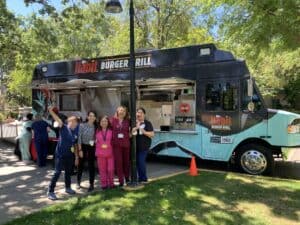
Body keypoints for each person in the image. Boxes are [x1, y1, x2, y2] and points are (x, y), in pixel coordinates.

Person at [47, 107, 78, 200]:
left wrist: (76, 156)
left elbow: (75, 145)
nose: (73, 123)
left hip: (69, 156)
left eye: (75, 122)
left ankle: (68, 188)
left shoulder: (75, 133)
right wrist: (51, 111)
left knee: (68, 172)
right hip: (60, 155)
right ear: (68, 122)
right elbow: (58, 120)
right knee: (57, 172)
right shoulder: (63, 127)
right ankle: (50, 191)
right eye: (71, 121)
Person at [132, 107, 154, 183]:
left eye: (141, 112)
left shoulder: (148, 123)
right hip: (135, 147)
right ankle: (140, 178)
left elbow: (152, 134)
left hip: (144, 147)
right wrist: (135, 129)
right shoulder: (133, 123)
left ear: (144, 114)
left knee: (141, 162)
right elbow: (131, 134)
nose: (139, 114)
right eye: (138, 112)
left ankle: (144, 178)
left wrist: (143, 131)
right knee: (137, 163)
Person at [76, 111, 97, 192]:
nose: (92, 117)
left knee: (91, 165)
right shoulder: (82, 125)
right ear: (87, 117)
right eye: (90, 116)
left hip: (92, 147)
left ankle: (91, 184)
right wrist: (80, 150)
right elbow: (79, 138)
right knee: (80, 164)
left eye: (93, 116)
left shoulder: (96, 126)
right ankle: (78, 182)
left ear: (95, 117)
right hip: (83, 146)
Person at [111, 106, 130, 186]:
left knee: (126, 162)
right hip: (116, 145)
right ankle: (121, 181)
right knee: (118, 163)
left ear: (125, 113)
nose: (122, 112)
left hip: (126, 144)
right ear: (117, 111)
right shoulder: (112, 120)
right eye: (120, 110)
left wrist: (131, 133)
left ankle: (127, 178)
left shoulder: (128, 121)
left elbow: (131, 131)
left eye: (123, 111)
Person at [95, 116, 114, 190]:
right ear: (100, 123)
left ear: (108, 122)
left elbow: (113, 141)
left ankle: (111, 183)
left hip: (110, 153)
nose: (104, 123)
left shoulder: (111, 131)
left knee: (110, 169)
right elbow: (95, 141)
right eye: (102, 121)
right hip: (100, 154)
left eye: (105, 121)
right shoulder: (97, 131)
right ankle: (104, 184)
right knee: (102, 169)